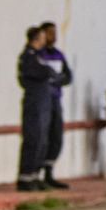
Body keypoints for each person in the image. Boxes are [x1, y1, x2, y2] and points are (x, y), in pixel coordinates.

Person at [16, 25, 55, 192]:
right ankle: (25, 177)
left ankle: (35, 175)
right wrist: (49, 71)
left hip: (44, 102)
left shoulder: (40, 56)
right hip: (34, 102)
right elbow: (42, 72)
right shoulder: (28, 56)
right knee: (33, 139)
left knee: (42, 140)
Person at [37, 21, 72, 189]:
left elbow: (68, 76)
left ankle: (49, 171)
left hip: (56, 99)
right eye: (50, 33)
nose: (54, 36)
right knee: (41, 136)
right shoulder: (38, 54)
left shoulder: (59, 55)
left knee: (56, 135)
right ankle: (36, 173)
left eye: (55, 32)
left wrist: (56, 79)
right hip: (42, 101)